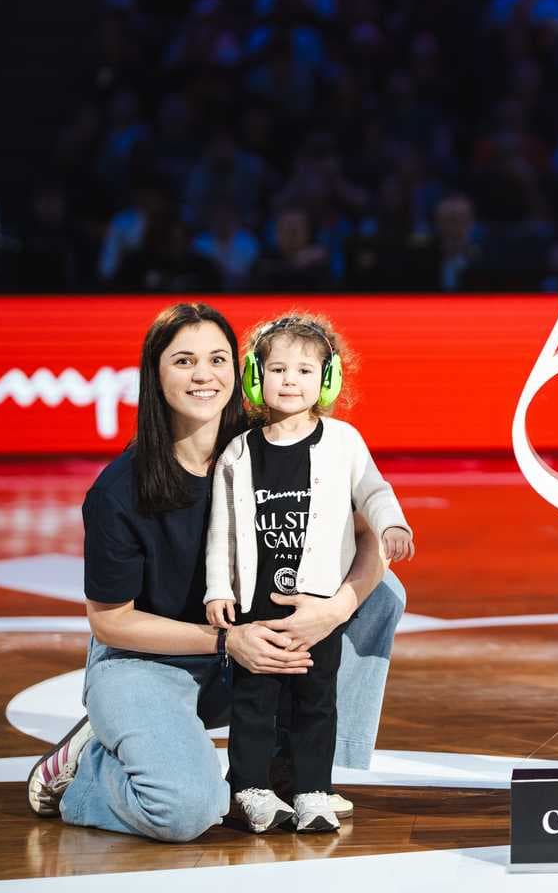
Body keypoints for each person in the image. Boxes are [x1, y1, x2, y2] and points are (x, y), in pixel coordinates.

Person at [25, 302, 408, 841]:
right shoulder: (119, 491)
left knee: (379, 592)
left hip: (250, 646)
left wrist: (334, 610)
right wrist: (227, 640)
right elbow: (110, 623)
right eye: (184, 361)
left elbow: (369, 541)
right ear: (155, 377)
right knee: (187, 812)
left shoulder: (277, 438)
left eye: (218, 359)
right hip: (150, 660)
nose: (204, 375)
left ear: (240, 370)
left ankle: (295, 770)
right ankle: (87, 768)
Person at [205, 313, 415, 833]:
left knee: (316, 699)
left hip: (317, 604)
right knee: (254, 700)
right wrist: (217, 587)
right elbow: (222, 528)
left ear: (328, 379)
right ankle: (250, 788)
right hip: (256, 604)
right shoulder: (238, 450)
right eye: (277, 369)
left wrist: (394, 523)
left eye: (304, 370)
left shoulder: (343, 442)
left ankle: (312, 790)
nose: (290, 380)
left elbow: (373, 489)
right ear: (256, 378)